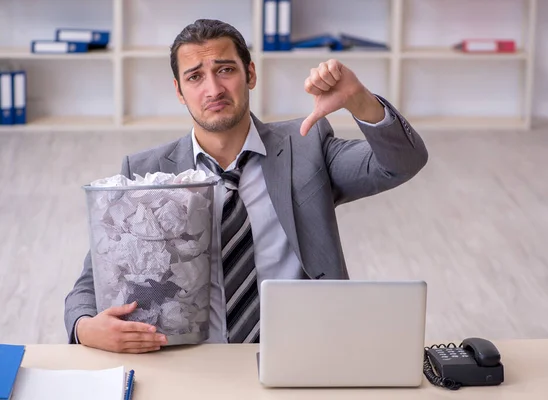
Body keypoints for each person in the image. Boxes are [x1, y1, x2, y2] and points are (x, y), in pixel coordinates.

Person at [64, 19, 428, 353]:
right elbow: (92, 281)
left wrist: (360, 101)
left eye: (225, 70)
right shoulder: (146, 171)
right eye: (195, 77)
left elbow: (401, 163)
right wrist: (84, 328)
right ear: (179, 90)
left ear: (250, 73)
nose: (213, 89)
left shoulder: (306, 146)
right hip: (188, 356)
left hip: (301, 351)